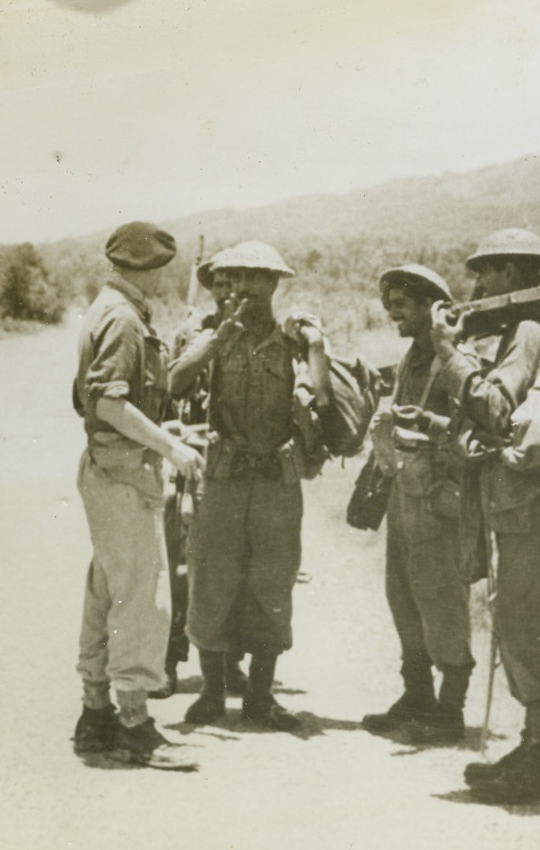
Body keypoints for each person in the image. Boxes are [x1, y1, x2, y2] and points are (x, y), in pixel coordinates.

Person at [431, 228, 540, 803]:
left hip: (534, 508)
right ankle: (534, 744)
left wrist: (449, 354)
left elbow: (497, 410)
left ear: (517, 275)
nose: (476, 285)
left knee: (533, 620)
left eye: (487, 273)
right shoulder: (532, 330)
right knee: (521, 617)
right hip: (525, 505)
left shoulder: (526, 331)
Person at [170, 240, 331, 732]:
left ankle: (261, 696)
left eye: (258, 278)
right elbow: (174, 383)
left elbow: (321, 393)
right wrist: (216, 341)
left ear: (275, 284)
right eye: (236, 277)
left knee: (272, 583)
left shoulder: (295, 338)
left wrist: (317, 345)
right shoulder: (210, 336)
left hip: (275, 483)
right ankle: (213, 695)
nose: (246, 287)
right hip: (223, 479)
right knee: (211, 581)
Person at [71, 221, 204, 770]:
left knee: (107, 590)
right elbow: (107, 403)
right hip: (124, 472)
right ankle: (133, 725)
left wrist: (166, 435)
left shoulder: (108, 308)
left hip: (112, 466)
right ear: (150, 268)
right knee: (140, 599)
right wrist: (171, 450)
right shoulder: (124, 319)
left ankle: (96, 713)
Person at [360, 265, 474, 744]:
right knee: (403, 595)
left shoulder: (457, 359)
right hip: (405, 493)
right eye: (388, 305)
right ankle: (417, 695)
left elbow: (475, 431)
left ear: (432, 306)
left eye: (401, 305)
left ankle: (450, 708)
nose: (392, 314)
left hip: (439, 498)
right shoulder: (411, 357)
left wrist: (427, 423)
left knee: (441, 597)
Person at [149, 261, 249, 699]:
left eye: (235, 283)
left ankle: (230, 663)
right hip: (191, 458)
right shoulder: (194, 334)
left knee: (234, 567)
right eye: (219, 284)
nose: (227, 291)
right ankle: (169, 660)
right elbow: (170, 393)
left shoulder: (257, 332)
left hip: (237, 465)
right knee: (178, 564)